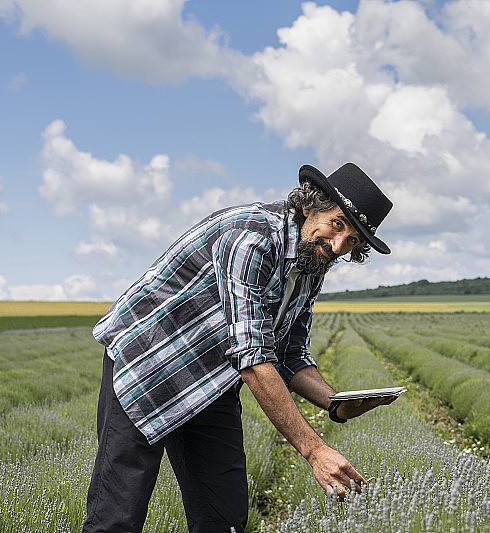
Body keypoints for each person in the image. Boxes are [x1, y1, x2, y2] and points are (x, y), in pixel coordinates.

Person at [82, 162, 395, 532]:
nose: (338, 245)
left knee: (224, 517)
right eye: (338, 224)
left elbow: (290, 354)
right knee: (117, 516)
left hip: (211, 379)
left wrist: (335, 402)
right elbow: (253, 357)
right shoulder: (251, 237)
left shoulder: (311, 262)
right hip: (148, 366)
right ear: (312, 206)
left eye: (353, 241)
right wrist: (314, 450)